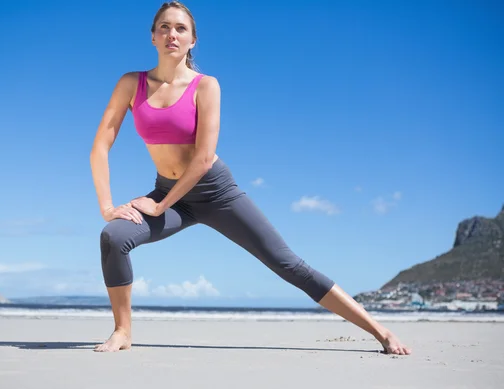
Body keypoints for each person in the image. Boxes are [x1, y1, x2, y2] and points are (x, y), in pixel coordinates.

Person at [90, 1, 412, 355]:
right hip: (169, 194)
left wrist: (159, 205)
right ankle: (122, 331)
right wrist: (108, 207)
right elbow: (100, 147)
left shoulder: (205, 86)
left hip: (215, 192)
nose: (172, 34)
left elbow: (201, 160)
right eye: (164, 27)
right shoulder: (131, 84)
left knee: (287, 264)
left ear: (193, 40)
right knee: (114, 236)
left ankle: (381, 332)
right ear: (152, 36)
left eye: (181, 28)